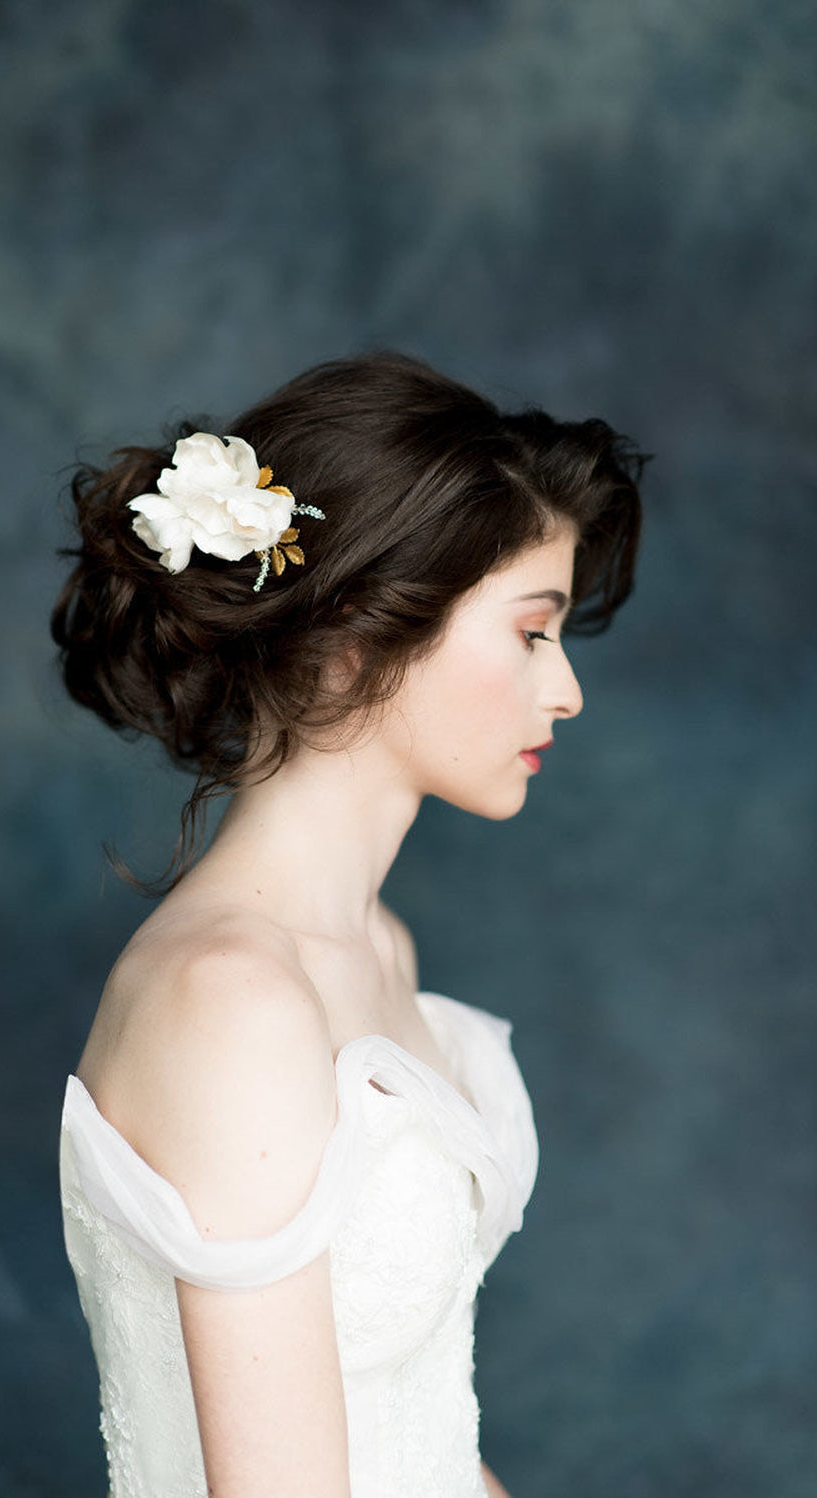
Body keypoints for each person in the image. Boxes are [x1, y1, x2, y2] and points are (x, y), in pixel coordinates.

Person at [51, 351, 644, 1498]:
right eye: (530, 632)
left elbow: (416, 1426)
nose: (565, 690)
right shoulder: (228, 998)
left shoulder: (378, 951)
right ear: (355, 635)